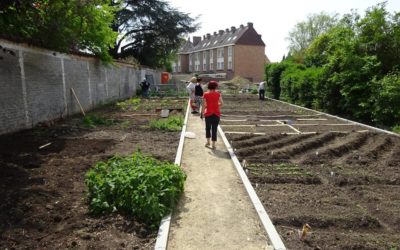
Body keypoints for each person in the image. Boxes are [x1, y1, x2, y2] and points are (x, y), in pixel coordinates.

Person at [202, 80, 223, 149]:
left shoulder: (205, 94)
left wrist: (202, 113)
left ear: (209, 86)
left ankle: (208, 142)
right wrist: (217, 106)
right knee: (214, 129)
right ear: (215, 87)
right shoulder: (218, 94)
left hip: (208, 114)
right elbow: (222, 103)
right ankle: (213, 145)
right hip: (216, 114)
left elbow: (204, 105)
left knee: (207, 128)